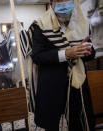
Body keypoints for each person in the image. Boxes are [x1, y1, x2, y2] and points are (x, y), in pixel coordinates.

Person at [29, 0, 96, 130]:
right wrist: (66, 54)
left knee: (78, 123)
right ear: (51, 3)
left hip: (77, 85)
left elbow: (91, 54)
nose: (65, 4)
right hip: (52, 84)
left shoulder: (82, 22)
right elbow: (37, 56)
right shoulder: (40, 25)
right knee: (52, 125)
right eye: (60, 1)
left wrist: (84, 50)